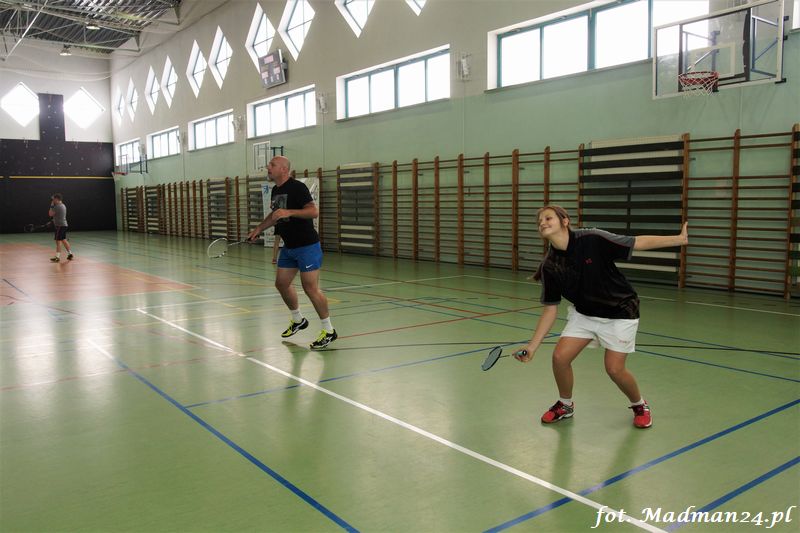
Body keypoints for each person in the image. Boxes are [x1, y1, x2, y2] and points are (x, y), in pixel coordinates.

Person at [514, 205, 689, 428]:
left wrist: (679, 239)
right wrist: (532, 346)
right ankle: (565, 405)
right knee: (560, 358)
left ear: (565, 221)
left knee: (614, 369)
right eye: (539, 221)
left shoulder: (592, 239)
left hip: (620, 311)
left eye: (548, 218)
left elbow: (636, 242)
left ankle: (639, 404)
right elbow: (550, 309)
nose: (542, 223)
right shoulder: (550, 265)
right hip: (585, 314)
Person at [247, 156, 337, 349]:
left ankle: (329, 330)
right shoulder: (276, 190)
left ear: (284, 169)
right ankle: (298, 320)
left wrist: (289, 212)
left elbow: (313, 211)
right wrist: (259, 229)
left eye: (272, 165)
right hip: (289, 247)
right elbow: (274, 215)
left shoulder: (298, 188)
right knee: (281, 284)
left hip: (307, 246)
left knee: (310, 288)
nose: (268, 167)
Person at [48, 193, 73, 262]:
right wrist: (52, 221)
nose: (52, 201)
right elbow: (58, 216)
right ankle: (70, 254)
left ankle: (57, 257)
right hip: (63, 225)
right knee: (64, 240)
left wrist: (51, 205)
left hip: (60, 226)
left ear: (56, 199)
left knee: (58, 241)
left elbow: (50, 214)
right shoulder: (63, 205)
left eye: (53, 199)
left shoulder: (57, 206)